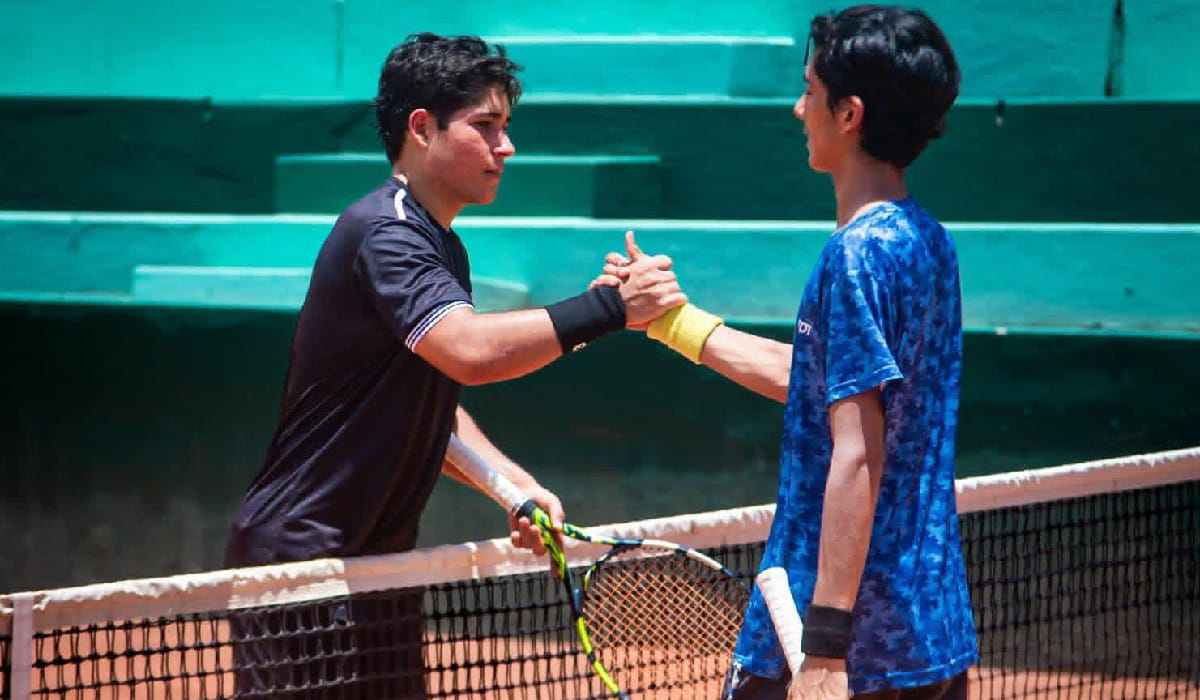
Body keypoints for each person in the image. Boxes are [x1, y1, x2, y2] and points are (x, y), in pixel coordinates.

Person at [222, 33, 685, 698]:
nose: (507, 146)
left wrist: (511, 486)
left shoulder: (441, 246)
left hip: (380, 568)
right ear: (421, 129)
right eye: (485, 126)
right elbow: (469, 352)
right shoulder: (385, 232)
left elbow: (427, 403)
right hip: (303, 563)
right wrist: (609, 308)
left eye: (507, 127)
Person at [600, 6, 976, 699]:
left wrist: (826, 648)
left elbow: (858, 451)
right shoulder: (928, 240)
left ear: (849, 114)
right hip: (930, 632)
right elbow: (815, 381)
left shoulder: (855, 255)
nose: (798, 108)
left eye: (809, 90)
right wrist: (673, 322)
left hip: (846, 645)